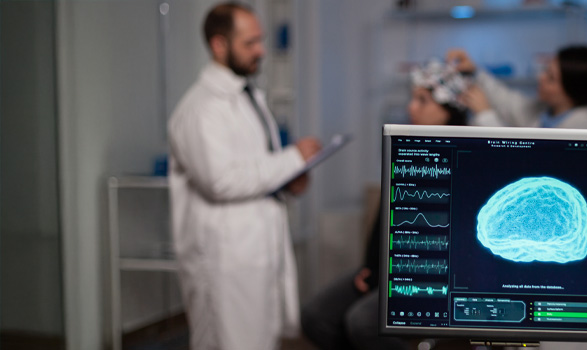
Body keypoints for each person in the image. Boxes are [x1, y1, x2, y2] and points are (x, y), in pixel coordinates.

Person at [167, 3, 321, 349]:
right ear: (219, 45)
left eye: (261, 41)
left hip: (255, 249)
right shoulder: (201, 109)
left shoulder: (247, 96)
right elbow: (221, 181)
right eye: (250, 43)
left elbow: (255, 165)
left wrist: (290, 178)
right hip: (225, 259)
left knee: (259, 340)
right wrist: (292, 158)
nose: (261, 51)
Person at [300, 60, 467, 350]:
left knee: (362, 322)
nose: (411, 108)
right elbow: (387, 217)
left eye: (422, 101)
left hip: (431, 276)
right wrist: (373, 267)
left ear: (448, 111)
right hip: (388, 269)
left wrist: (390, 275)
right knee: (315, 316)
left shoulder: (464, 160)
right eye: (412, 99)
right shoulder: (408, 148)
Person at [447, 45, 587, 129]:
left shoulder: (581, 129)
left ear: (573, 90)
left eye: (551, 78)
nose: (541, 77)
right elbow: (507, 101)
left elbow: (524, 163)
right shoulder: (546, 112)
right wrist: (474, 71)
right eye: (546, 70)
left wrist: (485, 115)